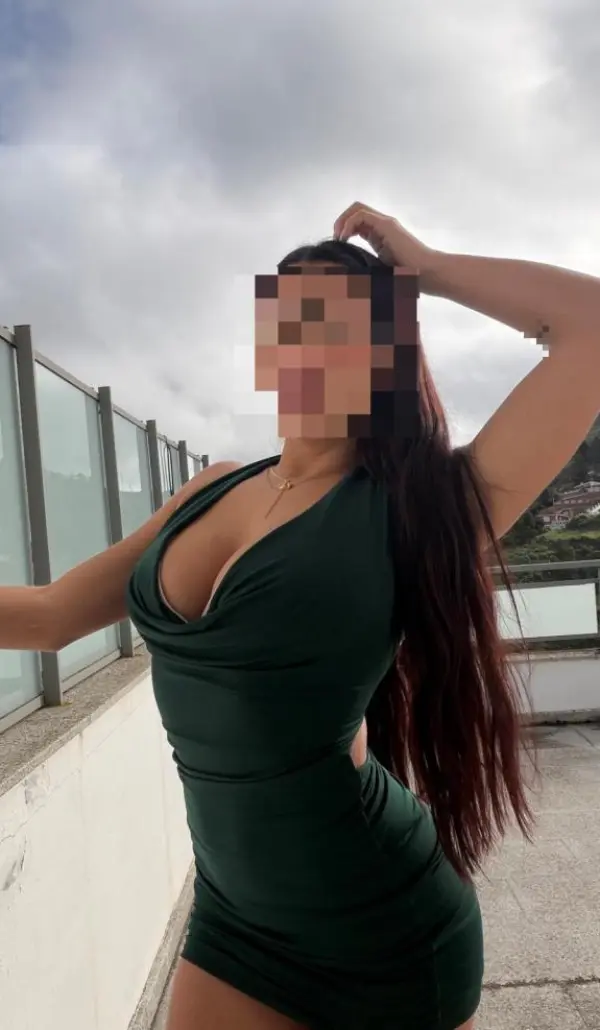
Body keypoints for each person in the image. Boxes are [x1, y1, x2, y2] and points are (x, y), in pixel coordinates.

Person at [1, 201, 599, 1030]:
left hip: (384, 932)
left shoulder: (422, 504)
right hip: (232, 922)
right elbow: (47, 616)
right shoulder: (211, 489)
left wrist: (425, 268)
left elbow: (589, 326)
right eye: (288, 319)